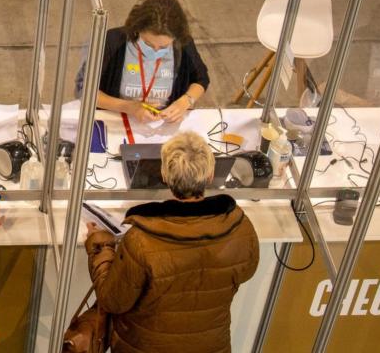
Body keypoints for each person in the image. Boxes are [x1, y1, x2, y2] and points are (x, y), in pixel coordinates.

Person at [84, 131, 259, 352]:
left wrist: (100, 244)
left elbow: (113, 300)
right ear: (210, 174)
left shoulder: (141, 240)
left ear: (164, 175)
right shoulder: (240, 228)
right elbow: (247, 271)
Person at [75, 0, 210, 124]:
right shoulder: (112, 41)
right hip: (117, 120)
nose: (156, 51)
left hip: (163, 124)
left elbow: (201, 78)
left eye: (164, 47)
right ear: (136, 30)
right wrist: (128, 107)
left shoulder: (183, 44)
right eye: (148, 44)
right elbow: (84, 89)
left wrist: (185, 101)